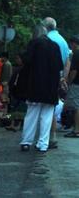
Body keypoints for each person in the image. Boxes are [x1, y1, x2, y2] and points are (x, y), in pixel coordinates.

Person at [19, 25, 63, 152]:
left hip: (35, 86)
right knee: (47, 116)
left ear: (35, 34)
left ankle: (26, 142)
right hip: (50, 88)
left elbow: (26, 61)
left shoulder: (34, 43)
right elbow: (59, 66)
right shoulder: (55, 46)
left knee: (31, 115)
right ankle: (43, 144)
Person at [42, 17, 70, 149]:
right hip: (59, 77)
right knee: (52, 105)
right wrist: (63, 78)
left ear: (45, 27)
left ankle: (48, 137)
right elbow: (67, 62)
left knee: (48, 107)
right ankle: (50, 136)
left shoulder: (48, 40)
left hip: (48, 77)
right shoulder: (63, 40)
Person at [64, 35, 79, 138]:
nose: (70, 46)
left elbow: (74, 71)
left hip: (76, 83)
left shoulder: (77, 53)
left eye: (70, 44)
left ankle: (76, 130)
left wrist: (69, 82)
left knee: (76, 106)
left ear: (74, 43)